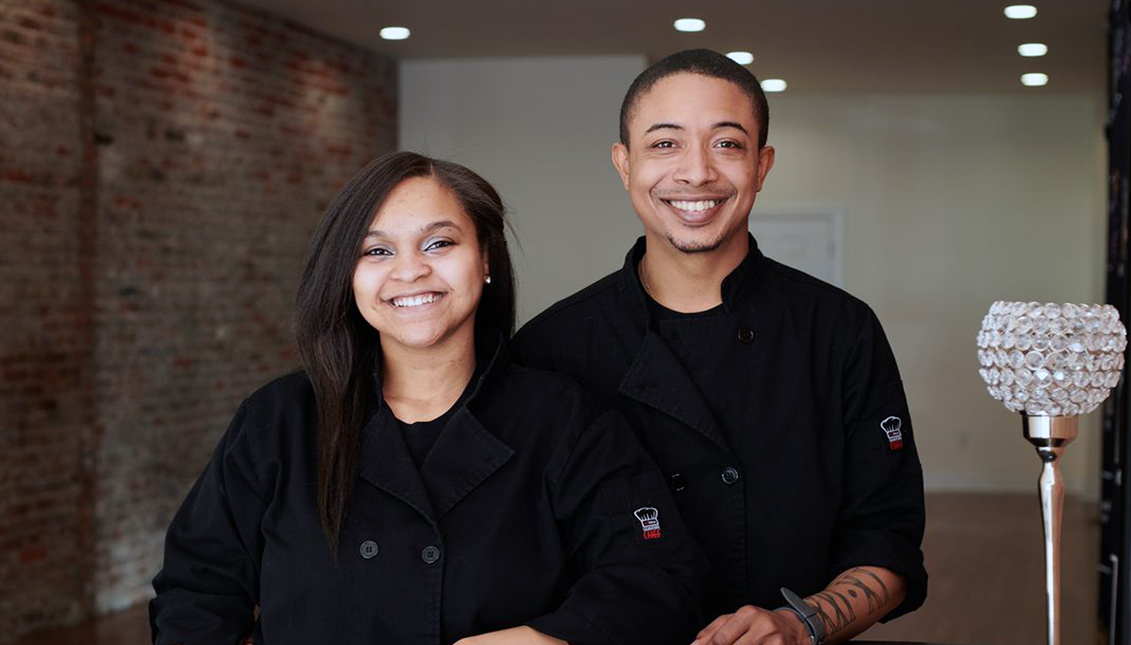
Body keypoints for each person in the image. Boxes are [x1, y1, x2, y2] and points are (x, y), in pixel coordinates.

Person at [149, 151, 706, 645]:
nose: (410, 270)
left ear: (485, 259)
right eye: (376, 251)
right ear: (347, 274)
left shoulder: (563, 420)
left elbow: (657, 576)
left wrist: (548, 638)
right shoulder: (281, 420)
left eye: (439, 243)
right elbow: (196, 588)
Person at [512, 49, 927, 645]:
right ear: (623, 164)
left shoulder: (840, 330)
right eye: (664, 144)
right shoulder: (552, 347)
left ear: (762, 165)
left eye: (727, 144)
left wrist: (801, 622)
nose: (697, 172)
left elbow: (887, 538)